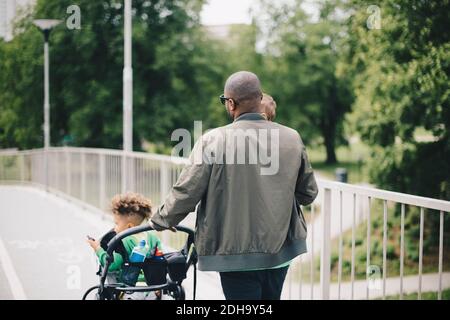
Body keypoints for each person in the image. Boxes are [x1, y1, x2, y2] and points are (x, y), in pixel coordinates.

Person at [150, 71, 318, 300]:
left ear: (230, 103)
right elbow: (308, 194)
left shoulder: (213, 140)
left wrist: (161, 219)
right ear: (260, 99)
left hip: (234, 254)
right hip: (281, 249)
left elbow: (188, 191)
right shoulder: (292, 137)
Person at [87, 192, 163, 299]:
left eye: (116, 223)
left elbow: (112, 265)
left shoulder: (122, 241)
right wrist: (158, 286)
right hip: (151, 289)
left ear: (129, 226)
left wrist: (97, 249)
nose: (114, 228)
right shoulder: (153, 237)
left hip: (131, 291)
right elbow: (160, 263)